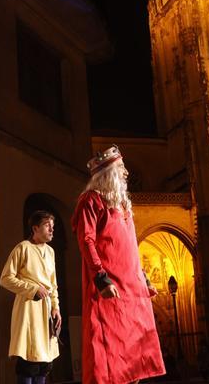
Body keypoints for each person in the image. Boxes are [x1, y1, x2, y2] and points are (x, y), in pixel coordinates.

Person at [72, 145, 165, 383]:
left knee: (135, 353)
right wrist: (101, 278)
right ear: (109, 173)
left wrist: (143, 278)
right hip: (110, 286)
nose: (125, 174)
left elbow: (131, 247)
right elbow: (87, 240)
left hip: (132, 288)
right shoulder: (91, 201)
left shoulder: (123, 206)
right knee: (112, 351)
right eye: (121, 168)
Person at [0, 210, 62, 384]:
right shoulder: (23, 248)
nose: (51, 230)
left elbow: (53, 284)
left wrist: (56, 307)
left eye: (53, 226)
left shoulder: (50, 252)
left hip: (46, 309)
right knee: (29, 360)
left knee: (44, 363)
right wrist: (32, 289)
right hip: (29, 309)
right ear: (35, 228)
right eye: (47, 225)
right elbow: (5, 279)